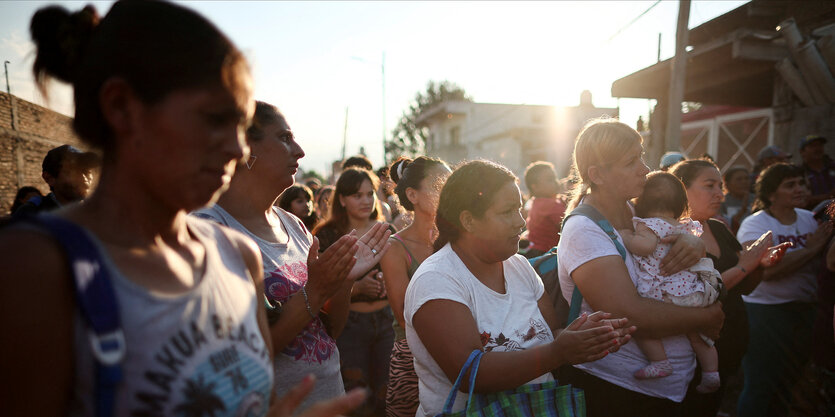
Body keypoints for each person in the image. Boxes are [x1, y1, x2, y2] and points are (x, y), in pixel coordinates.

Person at [0, 2, 367, 416]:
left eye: (239, 125)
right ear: (121, 107)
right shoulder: (39, 267)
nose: (234, 148)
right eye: (213, 120)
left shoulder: (235, 254)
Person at [193, 102, 392, 413]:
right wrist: (315, 290)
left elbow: (328, 333)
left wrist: (342, 281)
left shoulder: (293, 225)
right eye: (284, 138)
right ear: (244, 149)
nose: (299, 151)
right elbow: (242, 353)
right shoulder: (207, 231)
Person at [404, 159, 634, 417]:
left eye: (520, 210)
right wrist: (559, 352)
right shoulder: (437, 280)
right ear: (468, 221)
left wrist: (586, 337)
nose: (521, 222)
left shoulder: (519, 266)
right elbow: (472, 374)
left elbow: (550, 334)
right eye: (507, 212)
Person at [556, 119, 725, 417]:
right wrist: (706, 315)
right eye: (631, 161)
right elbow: (629, 314)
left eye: (641, 156)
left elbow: (676, 232)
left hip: (663, 392)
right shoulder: (584, 229)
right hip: (616, 392)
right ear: (597, 174)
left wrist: (692, 242)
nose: (645, 169)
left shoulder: (635, 212)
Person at [669, 159, 790, 417]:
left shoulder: (719, 227)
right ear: (682, 189)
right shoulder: (673, 235)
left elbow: (744, 287)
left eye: (720, 186)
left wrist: (761, 264)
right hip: (697, 347)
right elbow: (696, 293)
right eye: (709, 185)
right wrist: (746, 265)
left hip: (732, 338)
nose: (719, 193)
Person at [735, 163, 833, 417]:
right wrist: (809, 250)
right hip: (765, 313)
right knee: (761, 385)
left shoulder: (810, 220)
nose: (799, 189)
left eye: (802, 182)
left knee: (793, 384)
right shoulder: (755, 224)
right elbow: (764, 272)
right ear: (770, 194)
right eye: (790, 185)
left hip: (805, 310)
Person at [617, 172, 723, 394]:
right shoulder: (685, 227)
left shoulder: (647, 224)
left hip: (666, 294)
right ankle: (712, 372)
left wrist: (626, 236)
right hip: (693, 291)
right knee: (697, 334)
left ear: (642, 202)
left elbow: (644, 247)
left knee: (644, 327)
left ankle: (660, 362)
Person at [313, 168, 394, 417]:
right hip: (348, 325)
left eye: (370, 194)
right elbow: (317, 287)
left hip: (386, 323)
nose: (366, 200)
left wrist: (385, 283)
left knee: (387, 395)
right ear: (342, 199)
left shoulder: (385, 230)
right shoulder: (327, 234)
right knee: (356, 399)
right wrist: (357, 287)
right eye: (357, 195)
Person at [379, 156, 451, 417]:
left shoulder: (458, 241)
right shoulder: (396, 248)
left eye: (450, 183)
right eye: (438, 185)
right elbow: (403, 315)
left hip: (459, 349)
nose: (448, 192)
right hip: (413, 357)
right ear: (413, 195)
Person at [13, 144, 100, 217]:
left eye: (86, 171)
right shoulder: (31, 214)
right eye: (73, 172)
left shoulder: (100, 212)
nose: (84, 179)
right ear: (49, 178)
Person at [523, 161, 567, 258]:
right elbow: (568, 222)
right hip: (547, 254)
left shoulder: (537, 202)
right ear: (535, 187)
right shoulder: (548, 204)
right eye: (550, 179)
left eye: (555, 178)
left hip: (536, 250)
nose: (556, 182)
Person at [798, 134, 835, 210]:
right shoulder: (799, 172)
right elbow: (803, 199)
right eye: (812, 146)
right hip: (812, 216)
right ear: (802, 152)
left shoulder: (833, 166)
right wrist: (829, 196)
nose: (817, 149)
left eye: (820, 145)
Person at [720, 166, 753, 234]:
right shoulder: (721, 201)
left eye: (746, 178)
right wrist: (742, 211)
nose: (744, 182)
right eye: (739, 179)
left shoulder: (757, 200)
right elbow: (724, 225)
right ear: (727, 184)